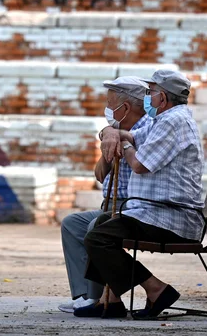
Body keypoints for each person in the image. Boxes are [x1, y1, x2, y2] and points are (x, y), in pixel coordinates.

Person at [74, 69, 204, 318]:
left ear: (162, 98)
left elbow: (139, 164)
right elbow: (130, 135)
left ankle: (156, 289)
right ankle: (110, 300)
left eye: (151, 92)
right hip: (154, 212)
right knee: (101, 223)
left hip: (171, 216)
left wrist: (123, 143)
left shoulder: (173, 121)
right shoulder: (163, 120)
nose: (148, 98)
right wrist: (111, 132)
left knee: (98, 237)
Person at [58, 77, 149, 313]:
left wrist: (118, 136)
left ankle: (96, 297)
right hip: (109, 205)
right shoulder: (117, 131)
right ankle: (82, 295)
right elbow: (100, 174)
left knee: (95, 229)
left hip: (130, 207)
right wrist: (108, 137)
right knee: (71, 224)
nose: (106, 109)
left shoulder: (145, 131)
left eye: (110, 103)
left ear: (126, 108)